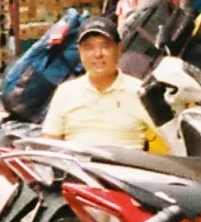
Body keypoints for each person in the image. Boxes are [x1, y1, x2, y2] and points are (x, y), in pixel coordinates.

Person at [40, 17, 170, 157]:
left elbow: (171, 142)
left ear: (119, 49)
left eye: (106, 46)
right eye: (89, 47)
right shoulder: (65, 92)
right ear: (80, 52)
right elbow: (50, 146)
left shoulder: (142, 92)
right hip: (78, 173)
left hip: (126, 175)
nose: (98, 54)